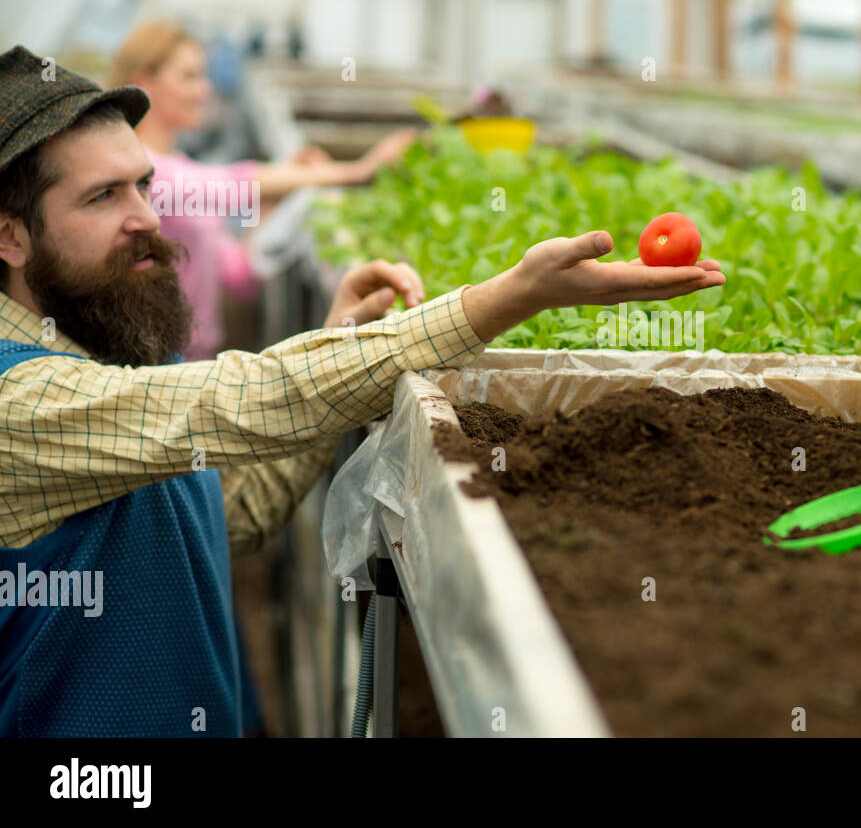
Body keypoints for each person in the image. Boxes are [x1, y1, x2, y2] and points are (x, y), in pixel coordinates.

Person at [0, 45, 725, 737]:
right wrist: (506, 299)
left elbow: (224, 517)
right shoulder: (21, 402)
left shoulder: (99, 345)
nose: (147, 218)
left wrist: (338, 339)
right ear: (10, 237)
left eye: (143, 185)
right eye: (103, 196)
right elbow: (241, 398)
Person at [108, 21, 418, 361]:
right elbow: (233, 186)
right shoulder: (140, 172)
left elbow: (239, 276)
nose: (205, 90)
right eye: (189, 77)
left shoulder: (185, 174)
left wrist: (278, 197)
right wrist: (357, 171)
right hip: (149, 365)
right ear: (144, 81)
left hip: (193, 361)